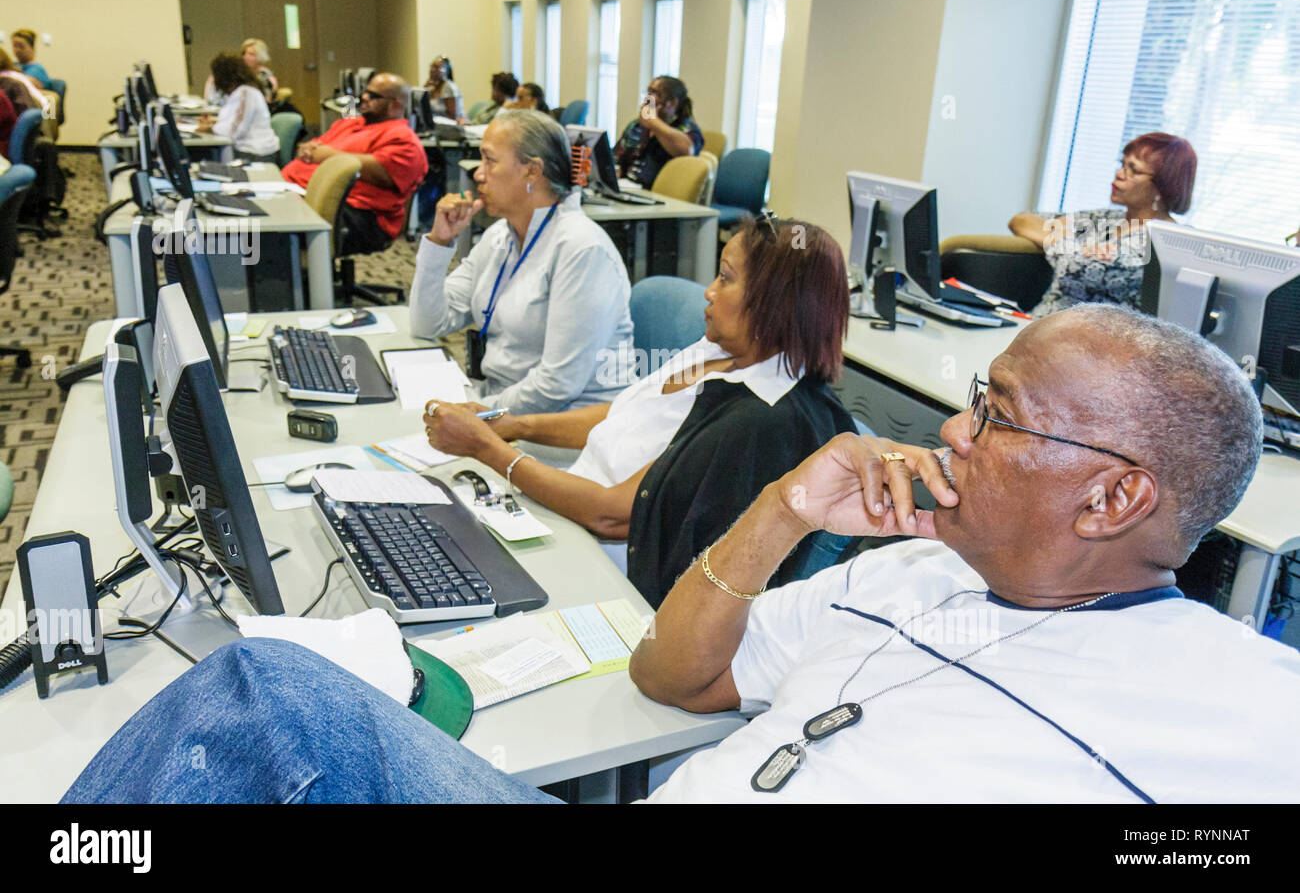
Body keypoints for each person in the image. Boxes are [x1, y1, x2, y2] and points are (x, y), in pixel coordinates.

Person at [61, 304, 1300, 803]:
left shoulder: (1245, 707)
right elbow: (670, 677)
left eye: (995, 411)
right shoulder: (907, 567)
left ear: (1114, 497)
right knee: (270, 706)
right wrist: (779, 510)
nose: (950, 433)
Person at [422, 215, 855, 598]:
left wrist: (487, 450)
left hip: (605, 567)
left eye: (725, 278)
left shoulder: (757, 417)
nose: (708, 291)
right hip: (566, 510)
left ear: (773, 302)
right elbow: (628, 414)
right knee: (424, 532)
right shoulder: (720, 349)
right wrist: (513, 427)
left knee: (443, 575)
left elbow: (612, 516)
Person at [409, 109, 633, 414]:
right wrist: (439, 242)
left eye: (490, 160)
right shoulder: (500, 235)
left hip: (561, 433)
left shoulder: (582, 250)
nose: (478, 173)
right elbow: (428, 323)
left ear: (532, 172)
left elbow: (558, 386)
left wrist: (477, 413)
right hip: (502, 410)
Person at [1008, 132, 1197, 318]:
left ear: (1163, 187)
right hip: (1040, 321)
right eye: (1122, 165)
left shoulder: (1166, 240)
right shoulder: (1106, 218)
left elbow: (1075, 266)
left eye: (1134, 170)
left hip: (1091, 339)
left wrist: (1066, 242)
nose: (1120, 174)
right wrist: (1062, 237)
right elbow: (1022, 220)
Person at [280, 71, 428, 255]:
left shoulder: (404, 140)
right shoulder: (350, 124)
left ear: (395, 105)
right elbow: (315, 148)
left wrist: (328, 155)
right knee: (250, 221)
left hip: (354, 215)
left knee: (261, 233)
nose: (364, 98)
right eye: (365, 92)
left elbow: (376, 170)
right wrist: (307, 149)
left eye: (374, 96)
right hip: (298, 194)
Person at [613, 75, 703, 189]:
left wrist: (653, 122)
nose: (647, 99)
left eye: (654, 93)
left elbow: (687, 151)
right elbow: (617, 158)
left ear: (672, 103)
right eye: (648, 92)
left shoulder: (687, 129)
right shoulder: (636, 125)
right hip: (628, 187)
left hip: (660, 193)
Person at [196, 53, 280, 162]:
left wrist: (209, 129)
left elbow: (235, 130)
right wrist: (213, 123)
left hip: (255, 153)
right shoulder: (241, 91)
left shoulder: (246, 93)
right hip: (249, 149)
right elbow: (235, 120)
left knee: (202, 156)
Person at [424, 55, 463, 120]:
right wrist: (425, 88)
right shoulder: (430, 87)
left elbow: (454, 117)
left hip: (450, 126)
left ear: (445, 71)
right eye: (432, 66)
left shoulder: (449, 87)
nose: (432, 70)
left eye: (436, 67)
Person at [240, 37, 278, 103]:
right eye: (244, 53)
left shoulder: (264, 76)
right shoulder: (247, 73)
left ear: (260, 56)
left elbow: (265, 101)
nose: (246, 57)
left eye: (251, 54)